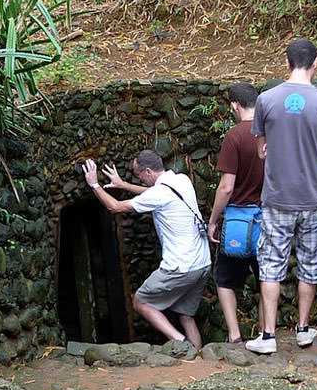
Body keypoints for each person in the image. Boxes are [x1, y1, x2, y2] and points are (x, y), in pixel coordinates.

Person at [246, 38, 317, 354]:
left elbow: (261, 145)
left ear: (286, 63)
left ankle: (269, 336)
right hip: (312, 198)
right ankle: (303, 329)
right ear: (316, 63)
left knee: (271, 265)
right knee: (310, 264)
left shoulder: (266, 100)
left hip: (276, 198)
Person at [84, 150, 209, 349]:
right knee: (185, 315)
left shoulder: (159, 194)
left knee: (141, 302)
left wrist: (94, 184)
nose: (139, 178)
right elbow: (154, 195)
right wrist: (123, 185)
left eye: (138, 175)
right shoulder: (181, 180)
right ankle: (200, 358)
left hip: (180, 266)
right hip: (202, 263)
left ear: (148, 171)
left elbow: (114, 206)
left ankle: (181, 343)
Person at [206, 82, 265, 344]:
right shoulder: (271, 133)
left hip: (239, 220)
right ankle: (266, 333)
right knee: (266, 279)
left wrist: (213, 220)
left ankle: (235, 335)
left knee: (225, 279)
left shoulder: (234, 136)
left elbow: (226, 186)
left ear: (234, 105)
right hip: (268, 218)